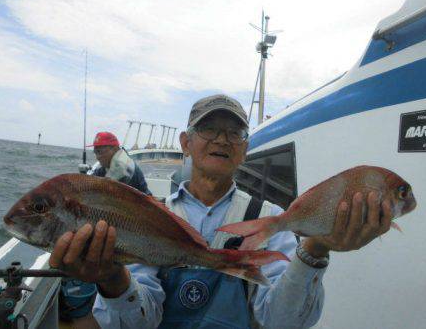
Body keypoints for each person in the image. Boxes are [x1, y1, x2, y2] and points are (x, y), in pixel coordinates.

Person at [49, 95, 393, 329]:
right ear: (186, 142)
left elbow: (280, 321)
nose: (222, 139)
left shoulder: (271, 218)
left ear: (245, 149)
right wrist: (112, 279)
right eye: (208, 129)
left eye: (234, 133)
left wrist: (315, 249)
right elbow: (141, 320)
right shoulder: (152, 218)